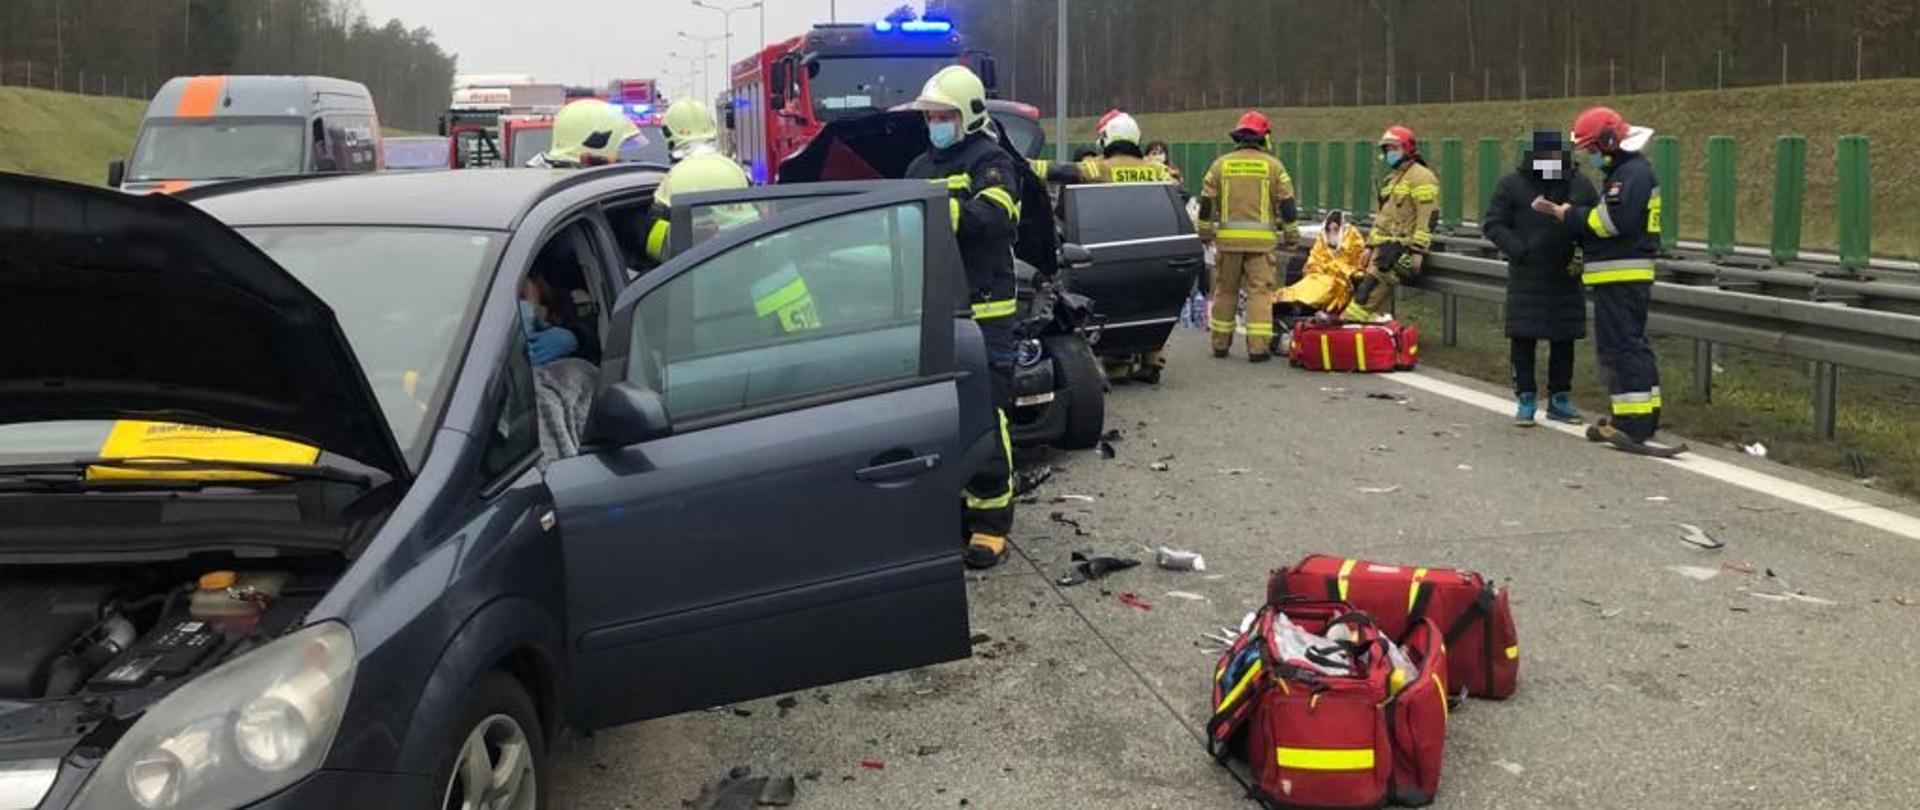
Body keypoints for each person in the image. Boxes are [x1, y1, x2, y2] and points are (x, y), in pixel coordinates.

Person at [905, 65, 1024, 570]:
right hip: (931, 312)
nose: (935, 122)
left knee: (985, 418)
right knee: (935, 419)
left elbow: (996, 215)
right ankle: (947, 508)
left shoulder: (992, 161)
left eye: (943, 115)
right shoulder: (916, 167)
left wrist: (939, 212)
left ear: (969, 115)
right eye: (930, 115)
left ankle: (990, 522)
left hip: (986, 315)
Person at [1532, 107, 1672, 452]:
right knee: (1632, 345)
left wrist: (1569, 215)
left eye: (1593, 150)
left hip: (1621, 272)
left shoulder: (1630, 175)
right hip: (1625, 272)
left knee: (1621, 348)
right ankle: (1644, 417)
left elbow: (1609, 223)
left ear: (1610, 141)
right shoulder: (1631, 171)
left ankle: (1631, 423)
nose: (1591, 156)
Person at [1031, 110, 1177, 383]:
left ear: (1106, 139)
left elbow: (1058, 171)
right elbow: (1177, 199)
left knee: (1113, 305)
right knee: (1150, 304)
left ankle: (1116, 363)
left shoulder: (1101, 167)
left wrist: (1018, 164)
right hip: (1154, 250)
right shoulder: (1157, 170)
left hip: (1112, 249)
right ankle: (1152, 359)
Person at [1484, 129, 1597, 426]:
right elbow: (1494, 224)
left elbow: (1593, 219)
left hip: (1565, 274)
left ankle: (1560, 398)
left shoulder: (1578, 183)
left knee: (1565, 338)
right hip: (1527, 274)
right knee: (1523, 337)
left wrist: (1578, 250)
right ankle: (1526, 398)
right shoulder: (1512, 185)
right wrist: (1519, 251)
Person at [1196, 110, 1299, 361]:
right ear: (1264, 137)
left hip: (1228, 243)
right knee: (1259, 293)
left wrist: (1205, 232)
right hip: (1261, 245)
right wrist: (1291, 236)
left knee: (1225, 291)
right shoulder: (1274, 167)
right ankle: (1257, 349)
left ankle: (1220, 345)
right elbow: (1287, 205)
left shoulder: (1220, 165)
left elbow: (1206, 203)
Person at [639, 98, 752, 267]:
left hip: (698, 273)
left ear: (668, 134)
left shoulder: (676, 177)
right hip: (746, 259)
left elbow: (654, 243)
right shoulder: (733, 169)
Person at [1344, 125, 1439, 323]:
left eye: (1394, 149)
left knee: (1364, 299)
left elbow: (1428, 216)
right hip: (1381, 250)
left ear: (1407, 148)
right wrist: (1369, 246)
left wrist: (1418, 251)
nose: (1390, 153)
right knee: (1371, 304)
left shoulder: (1422, 177)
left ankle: (1348, 329)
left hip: (1397, 252)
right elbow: (1383, 217)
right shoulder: (1392, 179)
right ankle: (1371, 340)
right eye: (1386, 150)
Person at [528, 98, 641, 168]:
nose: (616, 156)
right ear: (595, 142)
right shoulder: (589, 185)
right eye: (615, 146)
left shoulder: (538, 177)